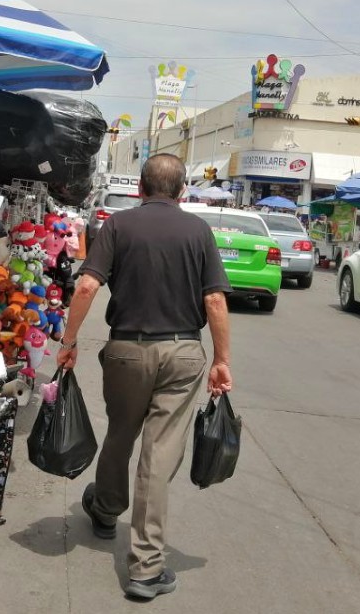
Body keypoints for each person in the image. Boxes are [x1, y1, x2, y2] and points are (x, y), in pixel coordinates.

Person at [56, 153, 233, 601]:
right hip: (182, 352)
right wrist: (221, 359)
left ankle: (106, 508)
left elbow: (86, 286)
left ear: (139, 189)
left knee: (121, 433)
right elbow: (214, 301)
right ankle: (146, 568)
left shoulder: (117, 226)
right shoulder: (199, 230)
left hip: (126, 351)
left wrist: (69, 341)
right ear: (181, 192)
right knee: (159, 453)